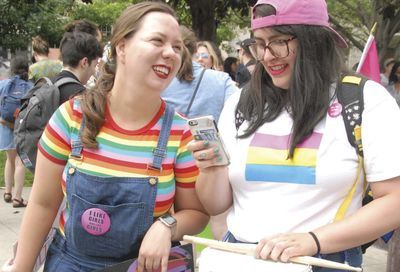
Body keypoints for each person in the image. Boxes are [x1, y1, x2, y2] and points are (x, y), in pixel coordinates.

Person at [188, 0, 400, 271]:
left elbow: (394, 200)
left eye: (278, 42)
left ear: (313, 41)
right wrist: (212, 167)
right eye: (259, 43)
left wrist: (313, 240)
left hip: (322, 261)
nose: (266, 56)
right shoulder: (242, 102)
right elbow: (215, 204)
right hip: (238, 260)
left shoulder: (364, 100)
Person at [11, 2, 208, 272]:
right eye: (157, 40)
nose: (170, 53)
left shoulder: (181, 133)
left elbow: (196, 213)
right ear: (122, 47)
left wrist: (167, 226)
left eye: (177, 47)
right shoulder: (71, 118)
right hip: (69, 264)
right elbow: (43, 204)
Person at [162, 26, 238, 123]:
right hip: (209, 137)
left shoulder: (159, 79)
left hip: (166, 137)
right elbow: (237, 114)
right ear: (195, 50)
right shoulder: (222, 80)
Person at [0, 55, 33, 208]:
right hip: (22, 128)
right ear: (27, 69)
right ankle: (17, 198)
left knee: (9, 160)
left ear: (12, 69)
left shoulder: (4, 84)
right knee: (21, 163)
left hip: (6, 126)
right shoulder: (30, 86)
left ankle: (7, 192)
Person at [52, 31, 103, 104]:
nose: (94, 72)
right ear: (84, 62)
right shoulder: (81, 98)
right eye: (94, 66)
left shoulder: (47, 84)